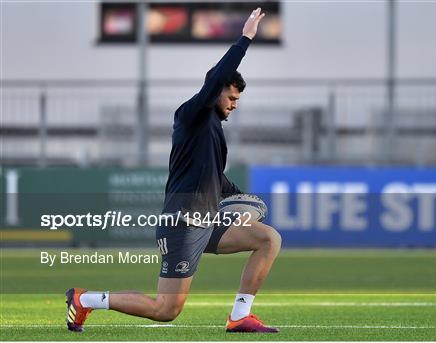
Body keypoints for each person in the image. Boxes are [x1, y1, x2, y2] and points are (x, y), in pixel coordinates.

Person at [65, 8, 281, 333]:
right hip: (181, 223)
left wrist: (238, 196)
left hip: (205, 221)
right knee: (166, 309)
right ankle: (84, 299)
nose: (234, 103)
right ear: (217, 89)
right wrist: (245, 37)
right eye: (231, 96)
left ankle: (239, 316)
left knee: (268, 239)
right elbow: (217, 76)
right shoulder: (193, 114)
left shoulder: (212, 130)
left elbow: (212, 179)